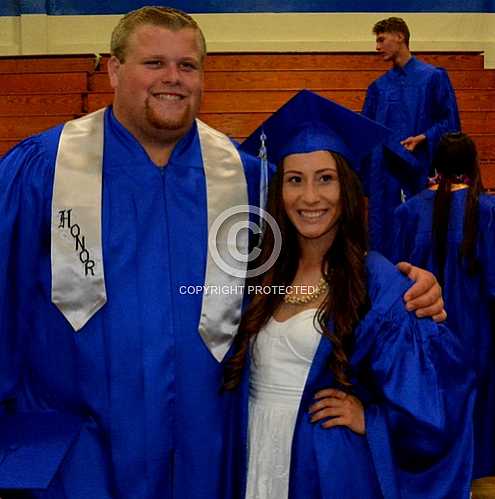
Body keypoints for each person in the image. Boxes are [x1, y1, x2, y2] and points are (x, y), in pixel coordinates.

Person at [0, 7, 445, 499]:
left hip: (212, 454)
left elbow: (320, 251)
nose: (172, 79)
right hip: (84, 458)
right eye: (154, 63)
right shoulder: (45, 169)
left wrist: (404, 285)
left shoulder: (247, 176)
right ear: (113, 69)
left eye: (187, 66)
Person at [226, 90, 475, 499]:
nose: (310, 197)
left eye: (326, 178)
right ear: (278, 190)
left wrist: (372, 420)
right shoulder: (261, 273)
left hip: (322, 471)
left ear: (346, 187)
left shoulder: (376, 279)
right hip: (253, 453)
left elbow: (440, 398)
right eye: (294, 180)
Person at [392, 132, 495, 480]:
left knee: (429, 414)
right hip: (474, 333)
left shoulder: (408, 211)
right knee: (472, 414)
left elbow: (395, 280)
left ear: (435, 165)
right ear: (471, 165)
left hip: (423, 336)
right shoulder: (487, 210)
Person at [362, 16, 460, 257]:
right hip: (384, 174)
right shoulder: (378, 87)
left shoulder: (432, 77)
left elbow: (450, 122)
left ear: (400, 37)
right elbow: (366, 132)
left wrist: (425, 137)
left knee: (421, 233)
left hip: (421, 168)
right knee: (385, 229)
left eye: (381, 40)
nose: (377, 47)